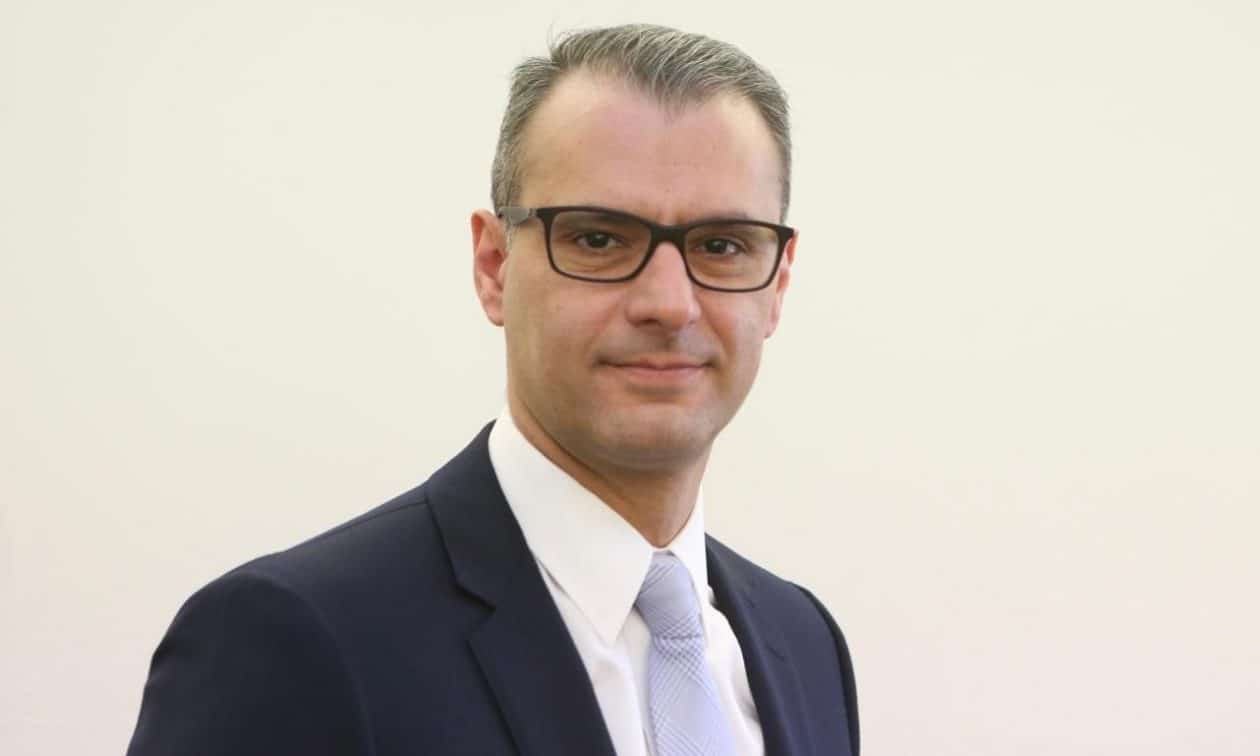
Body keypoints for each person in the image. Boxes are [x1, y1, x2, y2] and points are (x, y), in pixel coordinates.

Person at [126, 24, 858, 756]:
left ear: (778, 285)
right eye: (598, 239)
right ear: (493, 266)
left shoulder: (803, 644)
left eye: (722, 246)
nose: (668, 304)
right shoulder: (293, 642)